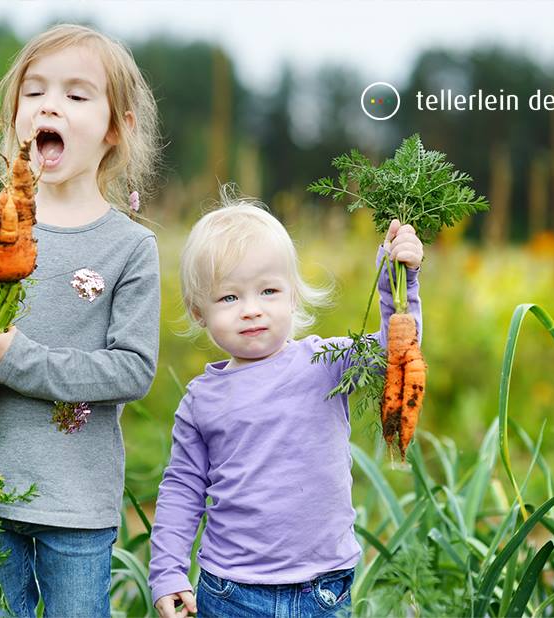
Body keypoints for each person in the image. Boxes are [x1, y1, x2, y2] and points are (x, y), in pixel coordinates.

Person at [0, 23, 161, 617]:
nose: (51, 104)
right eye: (35, 92)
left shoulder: (128, 248)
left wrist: (17, 361)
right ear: (15, 117)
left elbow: (132, 370)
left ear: (115, 129)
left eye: (77, 95)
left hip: (77, 510)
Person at [148, 192, 423, 618]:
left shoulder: (324, 362)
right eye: (229, 298)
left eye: (269, 291)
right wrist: (167, 571)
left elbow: (396, 352)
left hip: (322, 587)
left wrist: (398, 283)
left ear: (293, 296)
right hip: (230, 590)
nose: (251, 310)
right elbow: (183, 489)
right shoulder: (202, 400)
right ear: (197, 311)